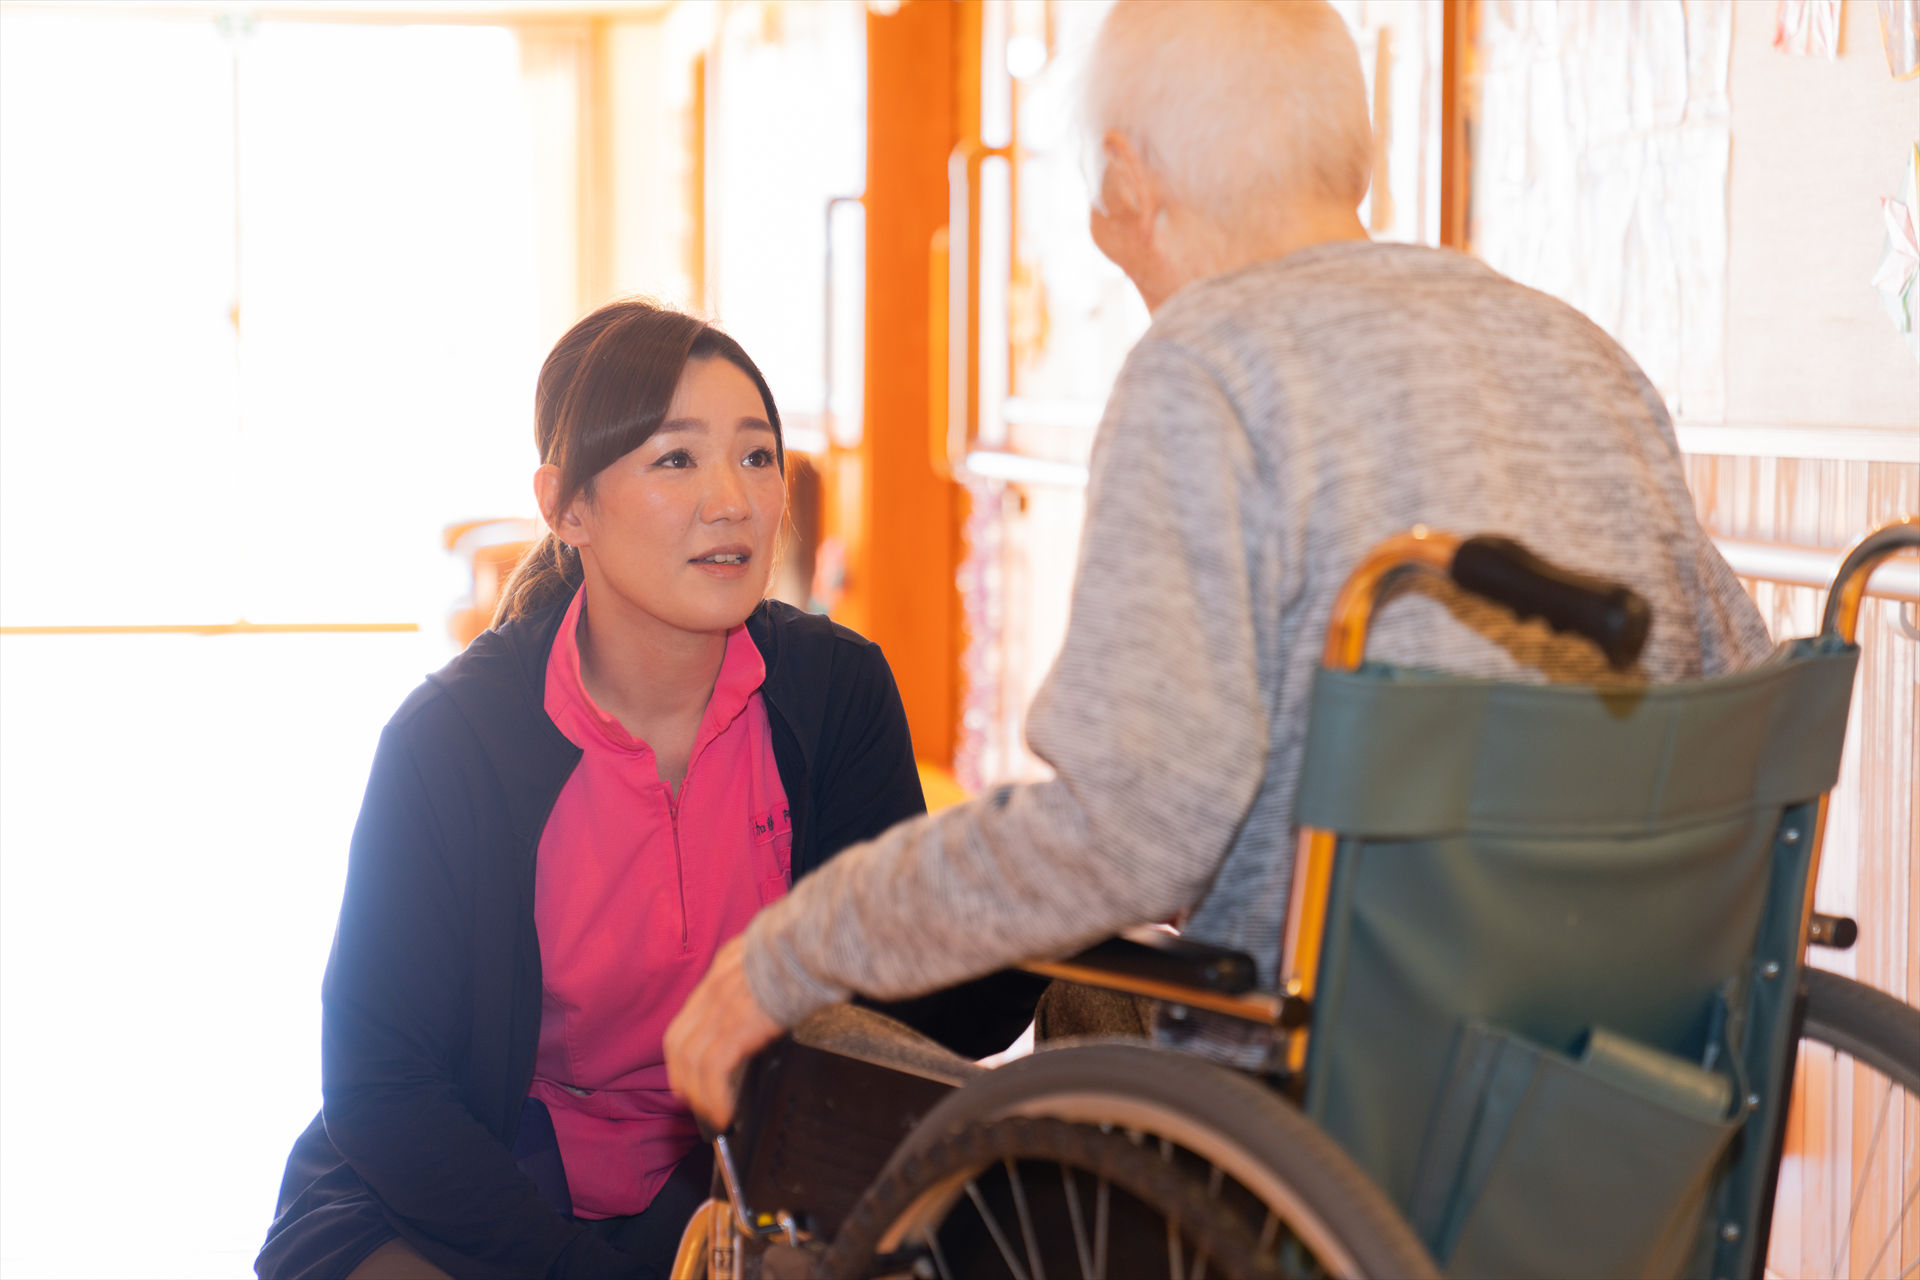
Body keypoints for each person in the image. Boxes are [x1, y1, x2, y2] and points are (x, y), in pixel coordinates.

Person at [663, 0, 1775, 1128]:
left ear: (1119, 187)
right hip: (1627, 1084)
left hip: (1340, 1113)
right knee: (1097, 990)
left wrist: (787, 946)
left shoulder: (1207, 367)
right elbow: (1738, 689)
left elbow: (1128, 832)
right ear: (1352, 152)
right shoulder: (1578, 351)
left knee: (812, 1036)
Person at [256, 299, 1038, 1280]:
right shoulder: (452, 741)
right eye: (676, 459)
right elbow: (384, 1090)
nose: (732, 500)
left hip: (734, 1187)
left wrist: (1050, 901)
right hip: (478, 1188)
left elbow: (898, 1013)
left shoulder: (835, 693)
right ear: (566, 505)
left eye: (757, 457)